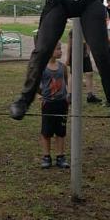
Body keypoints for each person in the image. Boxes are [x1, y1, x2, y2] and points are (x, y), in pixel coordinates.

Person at [39, 41, 70, 169]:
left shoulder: (63, 67)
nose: (61, 51)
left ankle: (60, 156)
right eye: (58, 49)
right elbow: (36, 84)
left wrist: (67, 96)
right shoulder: (42, 68)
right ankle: (46, 156)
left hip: (61, 103)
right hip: (48, 104)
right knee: (46, 131)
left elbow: (66, 82)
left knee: (61, 131)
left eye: (61, 49)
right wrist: (41, 96)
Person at [66, 29, 102, 104]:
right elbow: (69, 46)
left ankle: (90, 95)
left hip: (85, 55)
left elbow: (88, 42)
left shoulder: (86, 29)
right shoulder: (72, 31)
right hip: (75, 54)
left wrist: (88, 53)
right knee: (73, 74)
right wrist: (67, 58)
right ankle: (70, 95)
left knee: (89, 73)